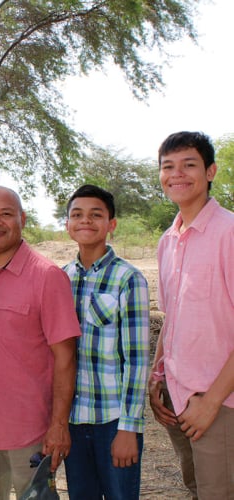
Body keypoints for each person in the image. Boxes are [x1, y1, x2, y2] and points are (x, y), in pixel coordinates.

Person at [0, 185, 81, 500]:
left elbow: (66, 357)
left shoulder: (47, 276)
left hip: (30, 434)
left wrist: (59, 425)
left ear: (22, 219)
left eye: (5, 214)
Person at [148, 131, 234, 499]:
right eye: (168, 166)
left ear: (210, 171)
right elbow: (172, 318)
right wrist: (156, 378)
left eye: (189, 165)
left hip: (219, 403)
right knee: (196, 488)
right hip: (176, 397)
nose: (177, 174)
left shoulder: (229, 232)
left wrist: (211, 402)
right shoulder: (167, 241)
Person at [62, 184, 150, 500]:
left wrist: (129, 428)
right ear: (68, 224)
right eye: (77, 214)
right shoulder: (60, 278)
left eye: (95, 215)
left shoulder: (128, 279)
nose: (85, 220)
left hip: (113, 421)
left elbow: (137, 360)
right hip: (72, 421)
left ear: (111, 224)